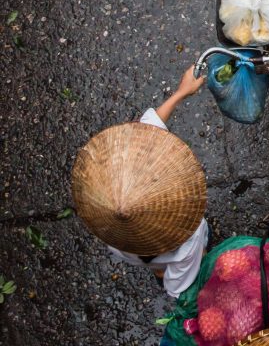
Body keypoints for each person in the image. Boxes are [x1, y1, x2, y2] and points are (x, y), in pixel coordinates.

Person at [71, 65, 208, 299]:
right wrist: (181, 92)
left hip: (131, 250)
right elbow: (178, 289)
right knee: (197, 258)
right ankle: (170, 268)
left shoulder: (107, 216)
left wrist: (181, 92)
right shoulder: (190, 238)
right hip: (180, 255)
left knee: (156, 264)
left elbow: (148, 126)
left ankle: (157, 270)